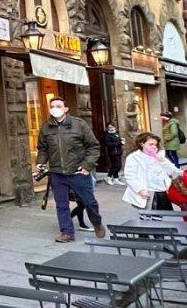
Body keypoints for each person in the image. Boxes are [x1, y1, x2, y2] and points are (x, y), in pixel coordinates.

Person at [34, 97, 106, 243]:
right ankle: (67, 232)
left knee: (89, 202)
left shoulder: (79, 124)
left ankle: (97, 223)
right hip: (57, 173)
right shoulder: (46, 127)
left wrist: (87, 166)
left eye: (58, 105)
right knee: (61, 205)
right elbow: (43, 148)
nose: (55, 108)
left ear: (66, 109)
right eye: (52, 106)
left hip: (78, 172)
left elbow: (93, 146)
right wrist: (41, 162)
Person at [123, 131, 183, 210]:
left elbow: (175, 172)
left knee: (166, 218)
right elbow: (130, 176)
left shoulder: (159, 156)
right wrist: (140, 190)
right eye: (151, 144)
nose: (154, 147)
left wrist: (163, 162)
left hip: (163, 192)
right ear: (142, 144)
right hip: (149, 193)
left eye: (156, 144)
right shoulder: (133, 157)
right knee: (151, 219)